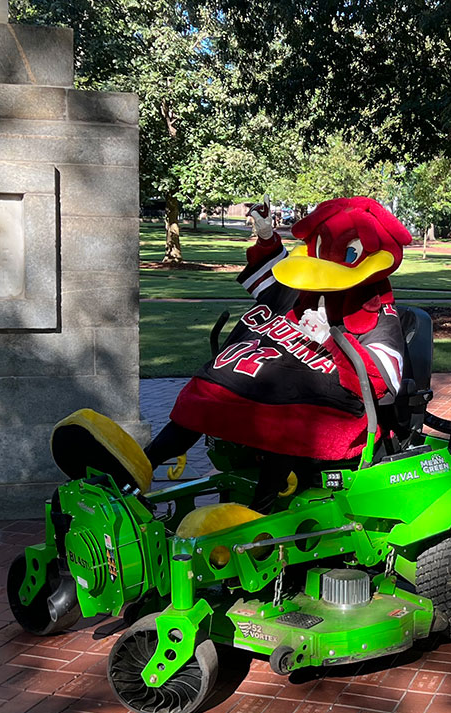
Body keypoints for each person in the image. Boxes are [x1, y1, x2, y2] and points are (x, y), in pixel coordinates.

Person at [143, 197, 412, 508]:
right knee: (206, 392)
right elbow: (274, 279)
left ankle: (259, 514)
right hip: (264, 375)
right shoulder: (305, 285)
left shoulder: (376, 312)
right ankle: (135, 473)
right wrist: (267, 238)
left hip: (331, 405)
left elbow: (384, 378)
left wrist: (333, 341)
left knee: (285, 418)